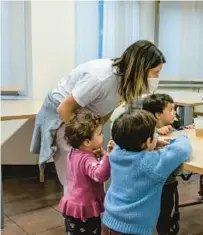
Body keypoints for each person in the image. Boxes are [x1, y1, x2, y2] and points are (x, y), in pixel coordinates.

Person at [30, 40, 167, 193]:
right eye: (155, 72)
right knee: (75, 172)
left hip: (85, 117)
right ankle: (75, 212)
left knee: (91, 167)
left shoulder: (127, 82)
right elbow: (64, 109)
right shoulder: (101, 79)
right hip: (64, 113)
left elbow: (105, 111)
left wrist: (96, 137)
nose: (157, 77)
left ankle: (89, 209)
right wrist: (84, 140)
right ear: (140, 68)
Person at [101, 110, 192, 235]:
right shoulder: (151, 163)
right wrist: (182, 136)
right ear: (148, 141)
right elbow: (182, 149)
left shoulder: (116, 153)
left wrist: (152, 142)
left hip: (109, 221)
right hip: (132, 230)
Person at [142, 93, 192, 235]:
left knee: (164, 214)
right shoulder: (146, 133)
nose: (174, 112)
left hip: (167, 183)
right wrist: (157, 132)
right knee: (160, 216)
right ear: (158, 114)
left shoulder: (168, 127)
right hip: (161, 185)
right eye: (170, 110)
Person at [58, 109, 113, 235]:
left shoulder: (73, 152)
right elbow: (100, 175)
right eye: (99, 134)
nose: (102, 136)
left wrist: (101, 155)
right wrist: (108, 156)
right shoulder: (87, 159)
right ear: (87, 142)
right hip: (84, 212)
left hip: (73, 207)